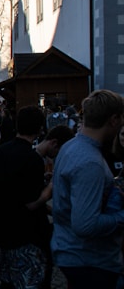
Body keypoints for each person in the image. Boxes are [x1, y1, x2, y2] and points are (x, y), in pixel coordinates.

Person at [0, 106, 73, 289]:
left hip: (4, 231)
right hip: (26, 235)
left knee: (9, 282)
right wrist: (52, 187)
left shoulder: (2, 150)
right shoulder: (31, 158)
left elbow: (11, 188)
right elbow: (31, 203)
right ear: (40, 130)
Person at [51, 89, 124, 288]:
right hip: (90, 260)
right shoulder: (90, 162)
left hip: (74, 254)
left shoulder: (71, 147)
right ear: (114, 119)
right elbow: (85, 224)